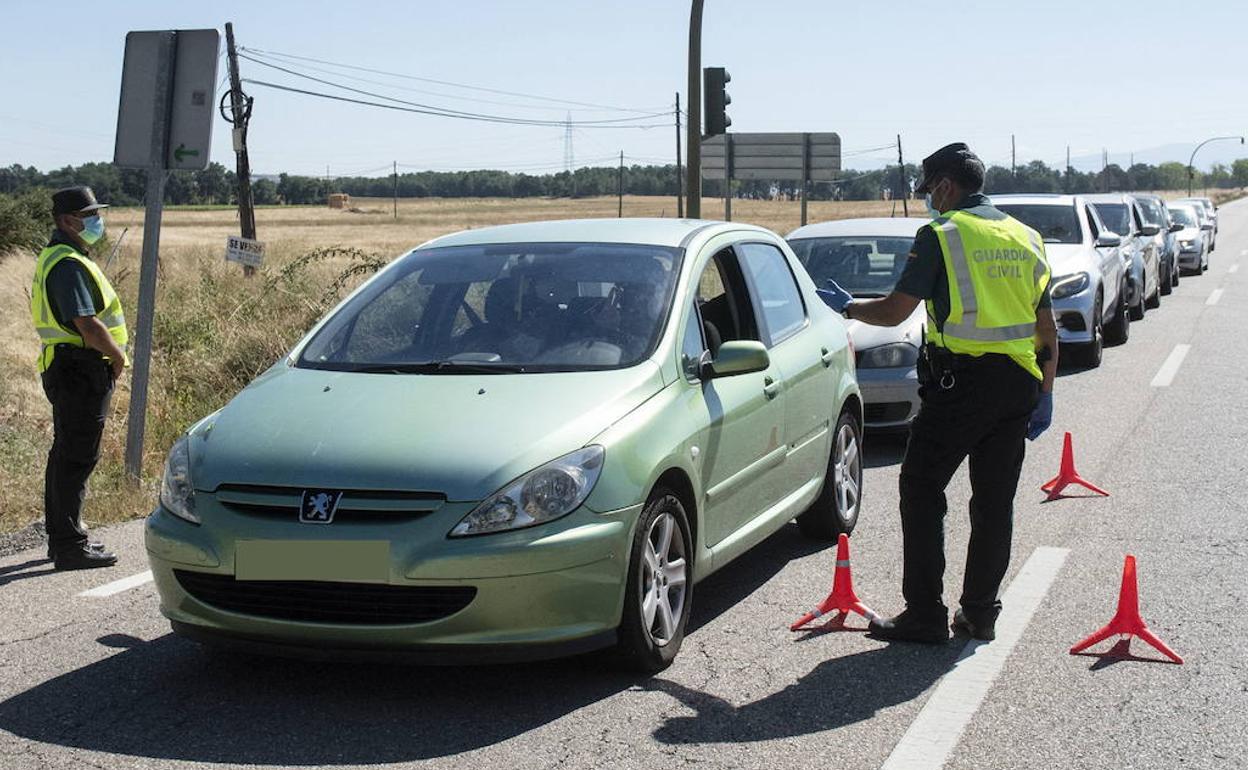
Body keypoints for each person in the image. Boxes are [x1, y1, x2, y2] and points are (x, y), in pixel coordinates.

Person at [818, 143, 1057, 643]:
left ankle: (925, 613)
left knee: (921, 488)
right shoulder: (1026, 237)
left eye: (929, 190)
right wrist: (1045, 392)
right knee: (994, 502)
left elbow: (895, 311)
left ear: (945, 186)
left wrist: (849, 308)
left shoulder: (942, 236)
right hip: (1018, 384)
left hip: (962, 384)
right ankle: (980, 613)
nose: (930, 200)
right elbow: (1045, 328)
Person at [30, 186, 128, 570]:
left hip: (68, 366)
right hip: (80, 369)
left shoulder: (59, 256)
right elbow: (87, 324)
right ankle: (70, 546)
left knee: (65, 455)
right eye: (90, 215)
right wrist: (117, 357)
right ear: (68, 221)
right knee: (76, 457)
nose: (96, 221)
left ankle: (63, 537)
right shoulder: (68, 263)